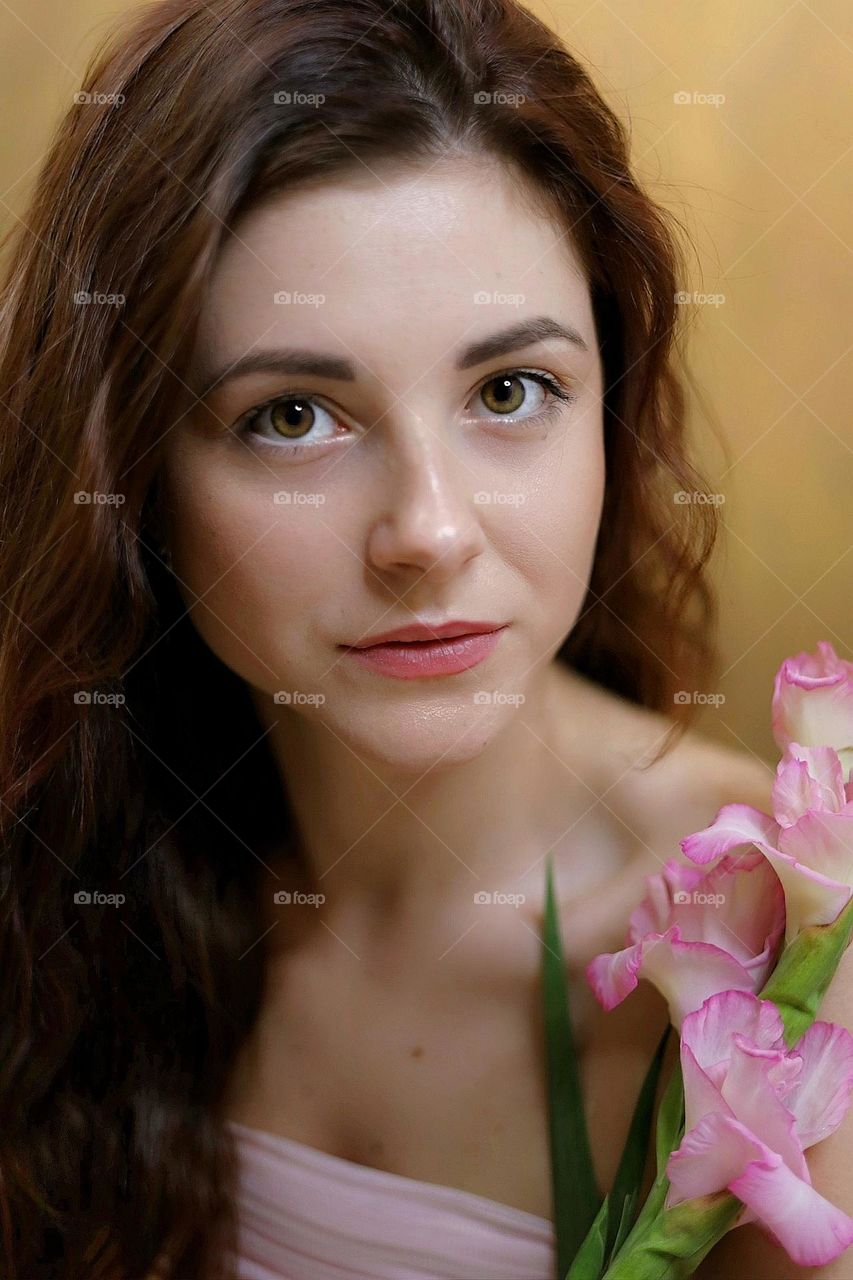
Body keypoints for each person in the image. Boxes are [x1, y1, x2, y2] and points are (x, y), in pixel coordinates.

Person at [0, 0, 773, 1276]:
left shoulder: (786, 957)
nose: (426, 531)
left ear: (612, 410)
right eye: (294, 414)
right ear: (129, 474)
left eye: (509, 392)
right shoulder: (62, 883)